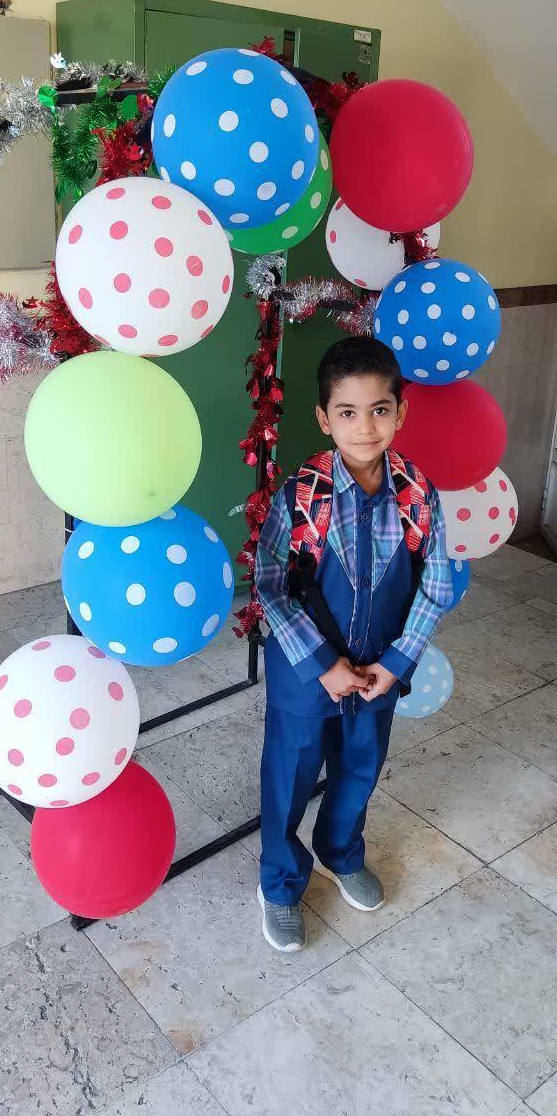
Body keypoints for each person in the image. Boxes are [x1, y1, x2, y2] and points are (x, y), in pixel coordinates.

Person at [254, 336, 452, 952]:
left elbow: (437, 584)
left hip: (379, 675)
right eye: (347, 412)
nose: (365, 427)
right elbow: (270, 584)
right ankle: (280, 882)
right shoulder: (302, 494)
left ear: (401, 412)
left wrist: (397, 662)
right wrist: (322, 664)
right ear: (324, 418)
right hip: (305, 675)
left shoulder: (419, 494)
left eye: (379, 410)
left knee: (360, 768)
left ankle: (341, 853)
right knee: (290, 775)